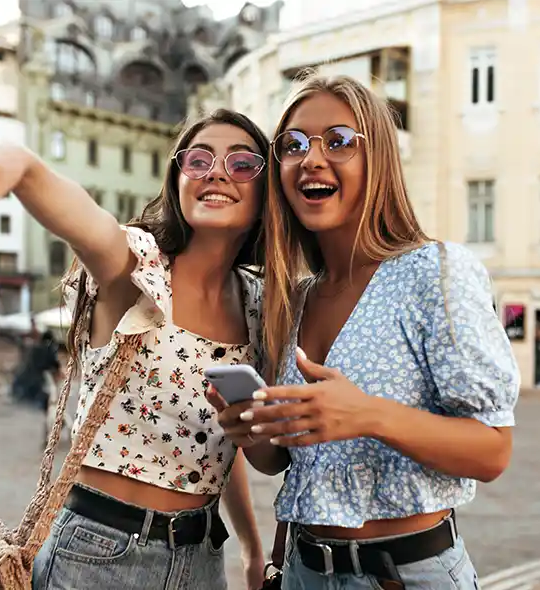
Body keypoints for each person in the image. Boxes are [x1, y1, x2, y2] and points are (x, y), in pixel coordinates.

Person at [0, 110, 270, 589]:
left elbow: (223, 438)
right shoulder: (137, 270)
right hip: (99, 557)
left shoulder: (258, 305)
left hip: (201, 562)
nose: (217, 172)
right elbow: (87, 222)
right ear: (177, 177)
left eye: (243, 163)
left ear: (266, 192)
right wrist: (23, 168)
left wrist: (250, 545)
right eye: (199, 160)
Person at [209, 74, 521, 589]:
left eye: (338, 141)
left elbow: (493, 451)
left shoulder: (435, 272)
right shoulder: (294, 297)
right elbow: (281, 461)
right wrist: (250, 432)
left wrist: (369, 415)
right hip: (302, 572)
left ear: (377, 158)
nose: (312, 158)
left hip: (405, 574)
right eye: (294, 145)